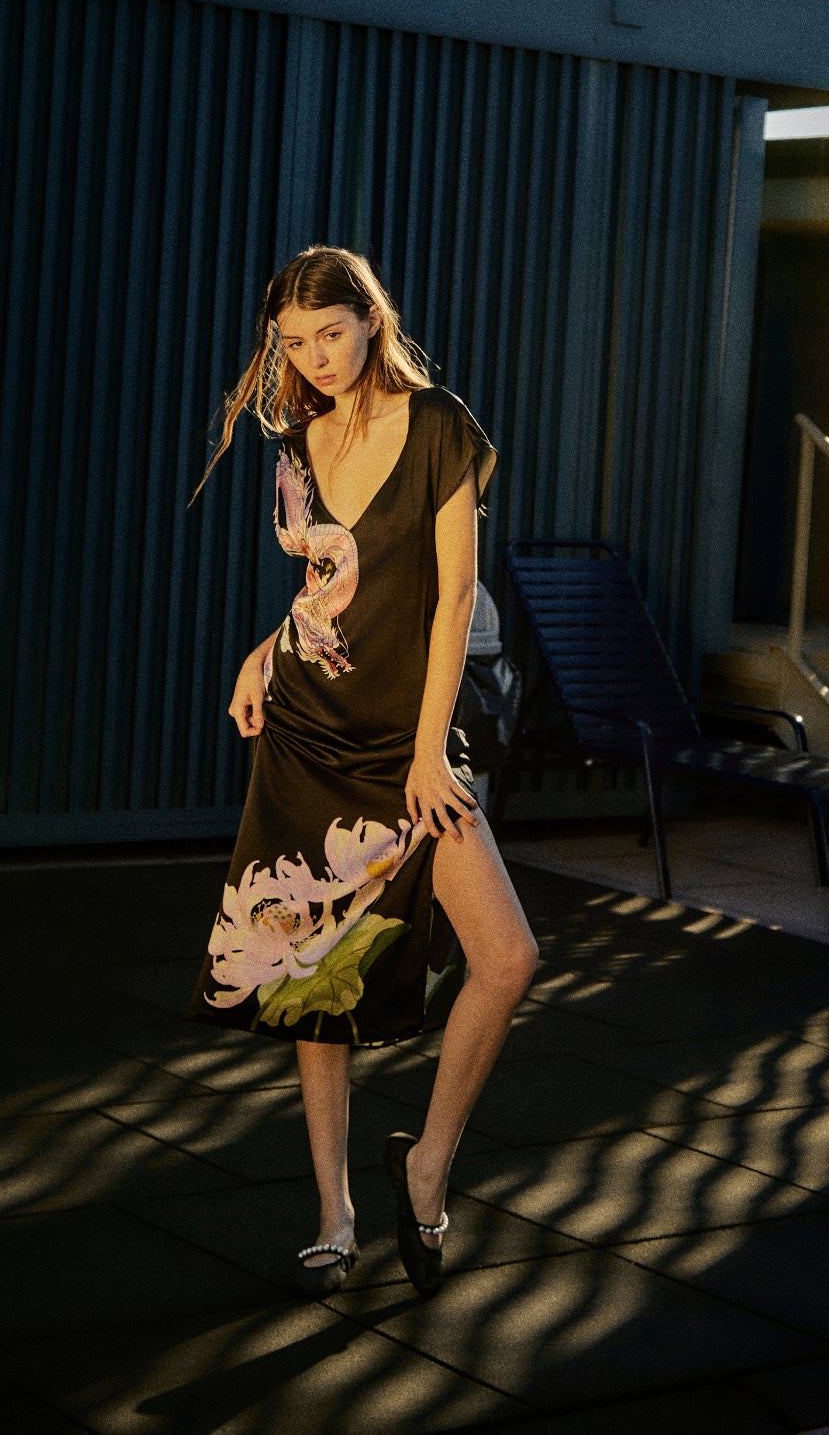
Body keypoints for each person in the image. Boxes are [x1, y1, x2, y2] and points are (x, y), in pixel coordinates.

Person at [186, 244, 539, 1298]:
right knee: (310, 974)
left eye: (330, 334)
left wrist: (432, 751)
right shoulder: (297, 434)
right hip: (305, 724)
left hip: (409, 737)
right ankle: (334, 1210)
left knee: (509, 956)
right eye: (293, 343)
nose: (315, 358)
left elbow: (450, 599)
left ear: (371, 320)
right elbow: (324, 579)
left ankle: (426, 1165)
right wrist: (262, 652)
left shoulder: (439, 428)